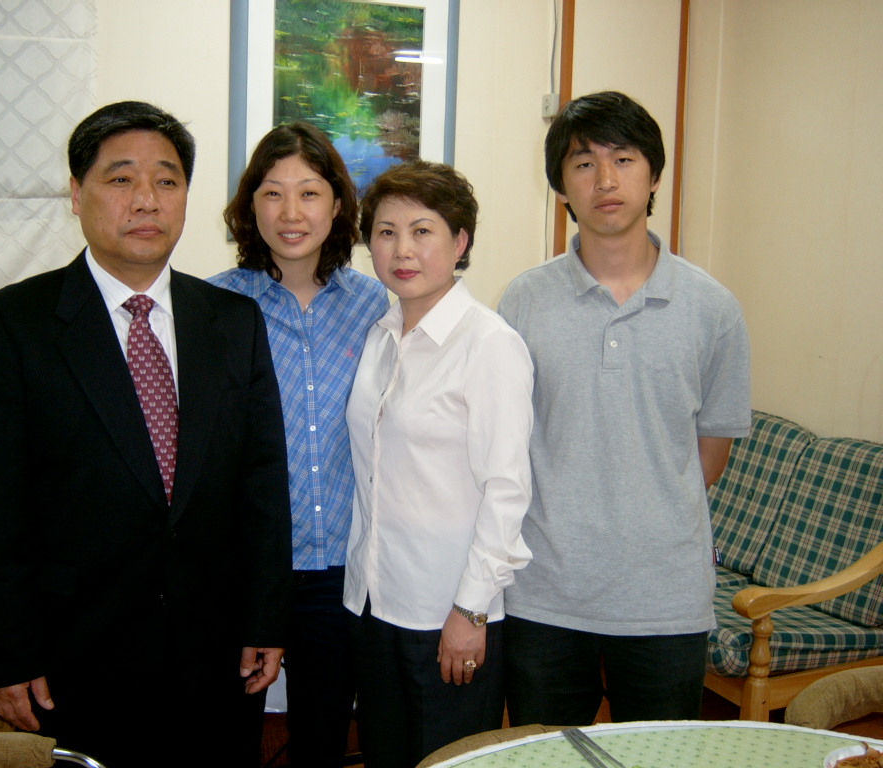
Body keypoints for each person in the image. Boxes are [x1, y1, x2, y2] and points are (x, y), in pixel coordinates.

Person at [0, 101, 292, 767]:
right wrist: (8, 654)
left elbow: (262, 485)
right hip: (78, 660)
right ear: (76, 193)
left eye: (167, 180)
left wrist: (265, 617)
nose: (146, 200)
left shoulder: (233, 321)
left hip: (218, 657)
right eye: (120, 179)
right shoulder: (14, 325)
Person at [498, 91, 752, 725]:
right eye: (584, 163)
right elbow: (507, 441)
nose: (605, 180)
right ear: (561, 185)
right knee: (546, 760)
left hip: (665, 599)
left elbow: (710, 456)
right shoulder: (523, 302)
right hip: (545, 592)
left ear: (654, 175)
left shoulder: (713, 309)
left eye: (624, 159)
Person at [344, 160, 534, 768]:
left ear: (460, 242)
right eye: (386, 232)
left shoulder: (490, 344)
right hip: (375, 601)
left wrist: (470, 611)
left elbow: (506, 491)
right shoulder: (380, 335)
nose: (402, 249)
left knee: (449, 760)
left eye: (422, 231)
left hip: (449, 610)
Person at [210, 123, 388, 767]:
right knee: (228, 738)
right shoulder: (214, 306)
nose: (291, 213)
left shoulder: (377, 306)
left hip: (340, 570)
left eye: (309, 193)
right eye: (273, 193)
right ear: (250, 205)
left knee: (322, 740)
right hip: (243, 569)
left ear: (337, 204)